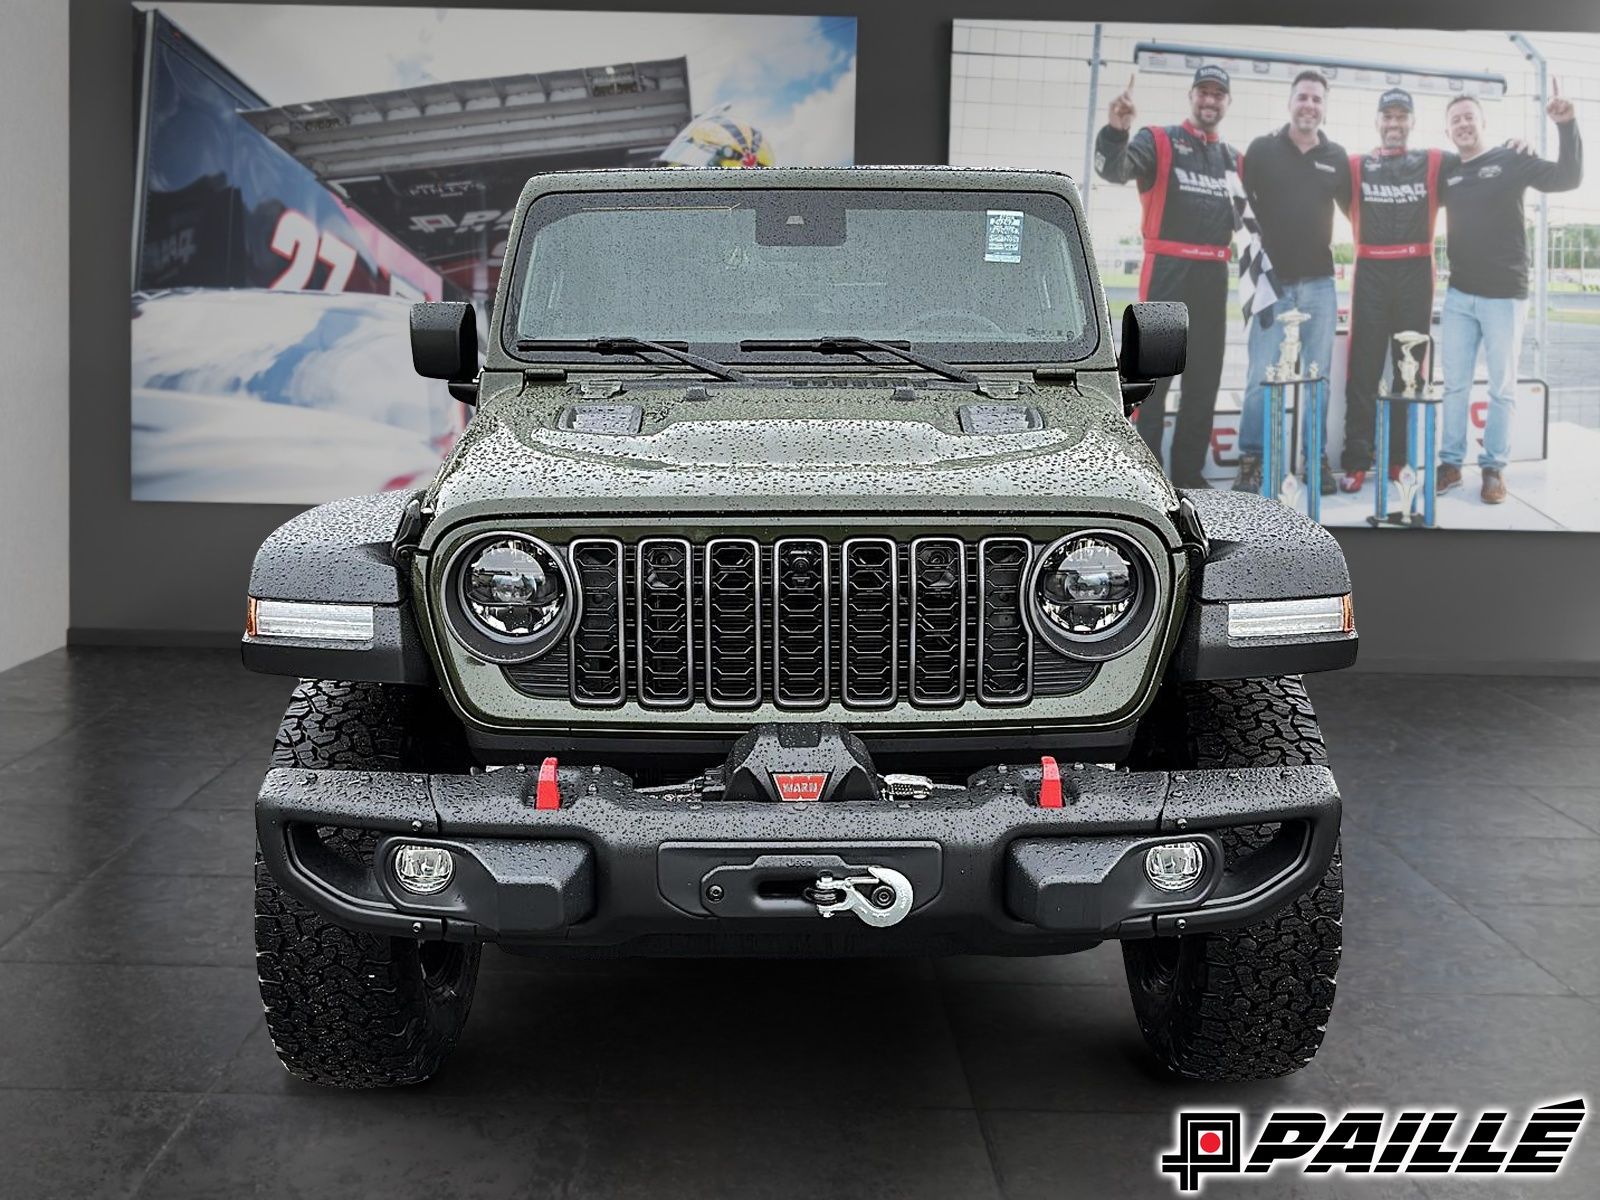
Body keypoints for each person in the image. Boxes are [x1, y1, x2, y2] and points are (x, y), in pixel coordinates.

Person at [1096, 65, 1238, 489]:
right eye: (1204, 93)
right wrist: (1116, 131)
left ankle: (1190, 475)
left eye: (1218, 94)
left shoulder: (1233, 159)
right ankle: (1149, 475)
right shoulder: (1158, 139)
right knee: (1153, 380)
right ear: (1191, 96)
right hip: (1167, 272)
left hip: (1215, 275)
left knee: (1204, 381)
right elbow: (1114, 170)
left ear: (1226, 102)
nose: (1210, 101)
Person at [1438, 85, 1580, 504]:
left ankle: (1494, 468)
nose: (1463, 123)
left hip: (1504, 296)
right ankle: (1449, 463)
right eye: (1455, 119)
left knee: (1502, 388)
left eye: (1469, 116)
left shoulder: (1512, 157)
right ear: (1448, 131)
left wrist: (1566, 126)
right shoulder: (1445, 170)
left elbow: (1568, 179)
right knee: (1454, 387)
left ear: (1483, 122)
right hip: (1460, 296)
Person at [1233, 70, 1350, 496]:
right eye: (1303, 97)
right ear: (1290, 101)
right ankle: (1252, 459)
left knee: (1316, 376)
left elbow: (1360, 214)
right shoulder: (1263, 150)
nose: (1309, 105)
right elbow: (1237, 211)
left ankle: (1315, 458)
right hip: (1271, 282)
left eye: (1317, 99)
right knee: (1262, 375)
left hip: (1320, 282)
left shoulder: (1337, 156)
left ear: (1324, 106)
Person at [1337, 88, 1447, 494]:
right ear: (1378, 121)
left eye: (1402, 117)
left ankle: (1399, 459)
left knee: (1408, 373)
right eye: (1388, 116)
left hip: (1416, 273)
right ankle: (1357, 459)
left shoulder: (1434, 161)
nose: (1394, 123)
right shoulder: (1354, 166)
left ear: (1412, 122)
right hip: (1370, 271)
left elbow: (1475, 171)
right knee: (1362, 371)